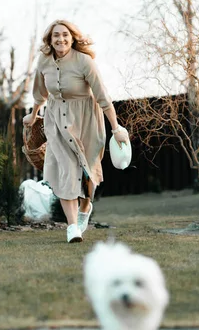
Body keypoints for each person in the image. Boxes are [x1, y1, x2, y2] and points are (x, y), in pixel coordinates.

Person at [23, 19, 128, 243]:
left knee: (88, 171)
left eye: (65, 35)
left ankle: (85, 207)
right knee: (66, 170)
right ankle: (72, 227)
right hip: (57, 121)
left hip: (86, 120)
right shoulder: (44, 61)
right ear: (50, 41)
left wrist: (116, 128)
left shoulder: (84, 62)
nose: (60, 39)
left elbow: (103, 97)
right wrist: (33, 116)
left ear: (72, 38)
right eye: (56, 36)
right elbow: (39, 94)